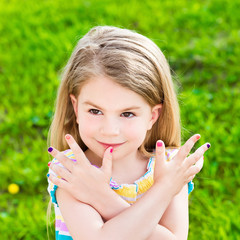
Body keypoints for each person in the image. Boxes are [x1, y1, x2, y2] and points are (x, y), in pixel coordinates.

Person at [46, 26, 210, 240]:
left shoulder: (169, 168)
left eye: (127, 114)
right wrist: (164, 190)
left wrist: (103, 199)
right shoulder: (73, 172)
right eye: (95, 111)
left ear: (152, 116)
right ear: (76, 108)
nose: (110, 131)